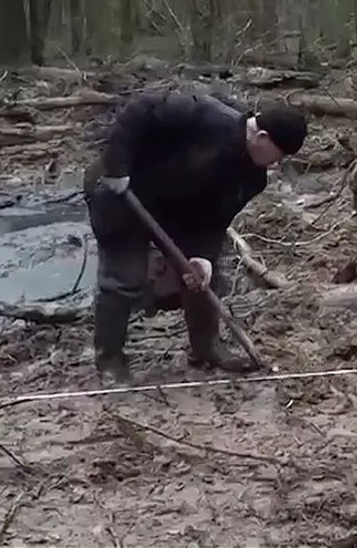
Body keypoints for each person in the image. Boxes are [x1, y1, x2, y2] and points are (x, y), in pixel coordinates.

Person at [84, 91, 307, 385]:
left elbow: (214, 221)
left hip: (175, 212)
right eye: (278, 156)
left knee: (202, 278)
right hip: (121, 193)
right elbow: (138, 111)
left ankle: (206, 349)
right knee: (124, 278)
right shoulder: (199, 113)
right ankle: (110, 361)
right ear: (262, 137)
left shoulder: (252, 179)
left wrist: (202, 256)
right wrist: (117, 167)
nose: (275, 164)